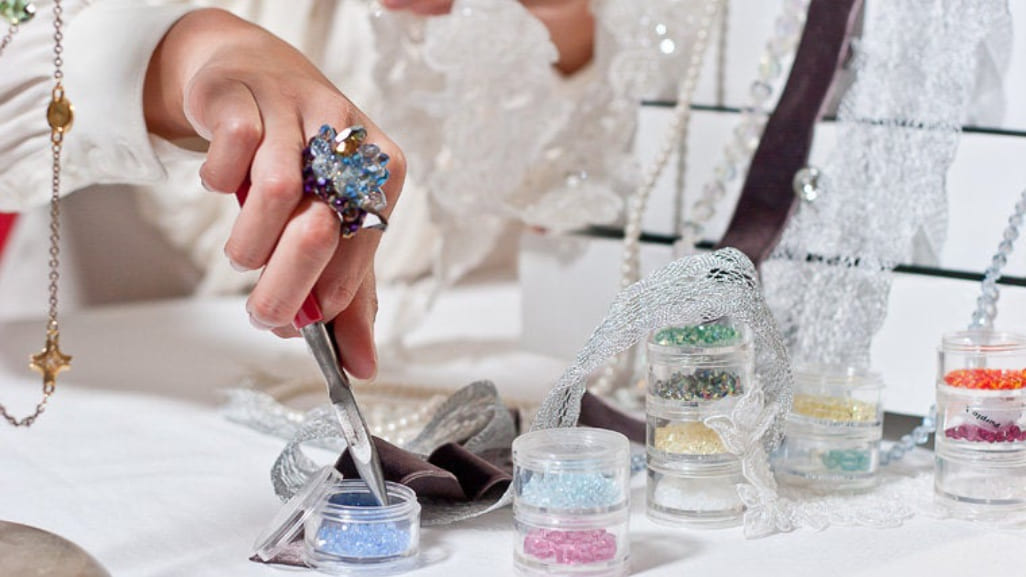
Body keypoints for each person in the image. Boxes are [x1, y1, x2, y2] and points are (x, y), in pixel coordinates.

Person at [0, 0, 594, 379]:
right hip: (110, 362)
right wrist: (186, 49)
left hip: (497, 343)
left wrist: (563, 35)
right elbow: (26, 40)